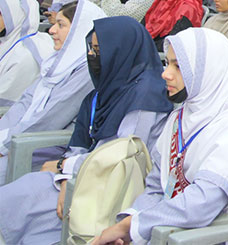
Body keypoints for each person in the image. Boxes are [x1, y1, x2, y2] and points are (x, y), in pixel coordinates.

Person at [0, 16, 174, 245]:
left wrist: (66, 168)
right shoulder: (105, 89)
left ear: (121, 50)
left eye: (99, 50)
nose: (92, 57)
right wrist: (64, 176)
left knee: (25, 201)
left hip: (113, 185)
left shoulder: (146, 96)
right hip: (81, 175)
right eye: (91, 49)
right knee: (18, 197)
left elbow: (121, 155)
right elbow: (79, 141)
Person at [92, 28, 228, 245]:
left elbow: (202, 203)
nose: (166, 73)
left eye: (178, 66)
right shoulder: (183, 114)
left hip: (199, 238)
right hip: (161, 229)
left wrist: (132, 226)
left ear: (209, 71)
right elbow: (156, 186)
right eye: (167, 63)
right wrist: (132, 225)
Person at [0, 0, 105, 186]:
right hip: (18, 137)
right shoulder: (57, 62)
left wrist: (5, 144)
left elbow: (50, 119)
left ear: (81, 31)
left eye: (61, 25)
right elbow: (25, 102)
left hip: (43, 147)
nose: (51, 30)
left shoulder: (86, 72)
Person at [0, 0, 55, 106]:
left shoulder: (26, 55)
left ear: (16, 16)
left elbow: (6, 102)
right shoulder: (8, 41)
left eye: (1, 14)